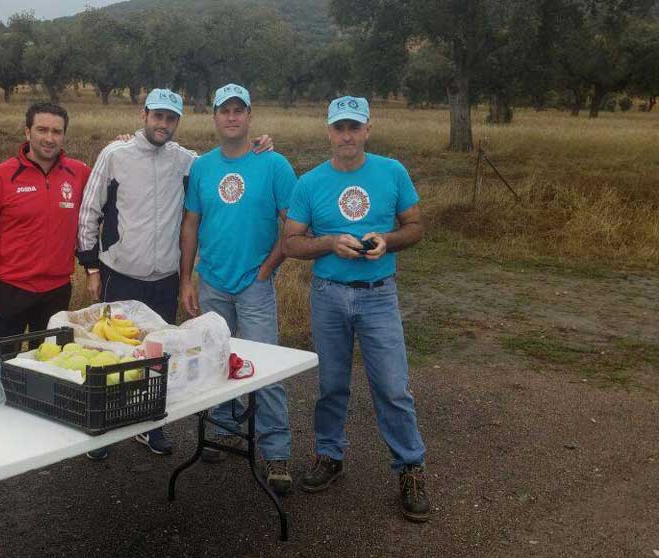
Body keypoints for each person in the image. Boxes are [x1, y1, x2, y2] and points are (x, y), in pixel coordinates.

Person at [76, 89, 274, 460]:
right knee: (110, 354)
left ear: (177, 122)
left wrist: (260, 144)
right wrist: (90, 266)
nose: (163, 125)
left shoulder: (187, 161)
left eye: (171, 119)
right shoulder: (114, 154)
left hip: (164, 278)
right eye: (157, 116)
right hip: (121, 272)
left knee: (157, 357)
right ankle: (99, 429)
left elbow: (227, 159)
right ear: (143, 115)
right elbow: (90, 211)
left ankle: (151, 427)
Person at [281, 95, 431, 522]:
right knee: (331, 384)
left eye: (354, 127)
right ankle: (329, 455)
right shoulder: (309, 183)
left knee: (392, 386)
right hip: (328, 294)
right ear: (328, 131)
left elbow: (415, 226)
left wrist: (388, 240)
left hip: (378, 293)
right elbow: (291, 242)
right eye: (339, 127)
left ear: (368, 129)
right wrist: (329, 243)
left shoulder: (392, 171)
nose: (347, 135)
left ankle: (410, 467)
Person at [179, 83, 297, 495]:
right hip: (212, 280)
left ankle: (276, 451)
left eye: (238, 110)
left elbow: (294, 223)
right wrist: (185, 279)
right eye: (224, 110)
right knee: (215, 360)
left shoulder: (273, 164)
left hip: (255, 283)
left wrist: (269, 265)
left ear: (250, 116)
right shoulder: (203, 168)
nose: (232, 117)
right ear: (214, 116)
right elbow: (191, 223)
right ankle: (224, 427)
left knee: (266, 366)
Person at [0, 102, 91, 346]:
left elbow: (92, 223)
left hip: (57, 291)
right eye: (42, 130)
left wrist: (124, 144)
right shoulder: (0, 176)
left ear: (64, 135)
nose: (49, 138)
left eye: (56, 132)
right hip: (10, 289)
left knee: (47, 368)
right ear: (27, 132)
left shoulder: (80, 173)